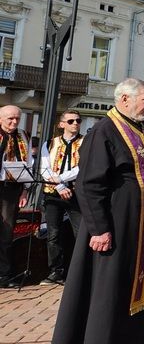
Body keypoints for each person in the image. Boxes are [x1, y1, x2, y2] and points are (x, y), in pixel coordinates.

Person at [48, 79, 144, 344]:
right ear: (124, 99)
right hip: (114, 226)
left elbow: (141, 169)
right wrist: (99, 229)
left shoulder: (142, 128)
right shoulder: (104, 131)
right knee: (109, 292)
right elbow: (90, 184)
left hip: (140, 227)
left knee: (131, 287)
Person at [39, 110, 84, 285]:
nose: (75, 124)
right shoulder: (50, 143)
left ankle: (77, 272)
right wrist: (58, 186)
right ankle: (55, 271)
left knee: (79, 233)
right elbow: (44, 168)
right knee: (53, 233)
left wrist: (63, 180)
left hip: (76, 193)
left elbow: (83, 167)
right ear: (62, 124)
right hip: (53, 193)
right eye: (71, 121)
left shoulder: (85, 143)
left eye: (78, 121)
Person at [0, 105, 32, 288]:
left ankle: (4, 275)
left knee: (6, 234)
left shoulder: (23, 136)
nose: (14, 122)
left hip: (11, 190)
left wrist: (25, 190)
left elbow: (29, 164)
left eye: (17, 119)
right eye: (10, 118)